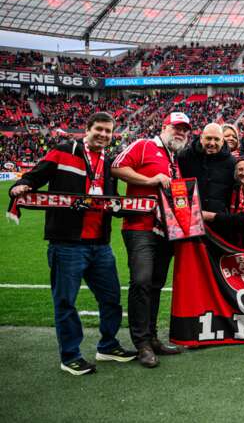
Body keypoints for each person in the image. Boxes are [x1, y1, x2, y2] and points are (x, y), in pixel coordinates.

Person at [9, 112, 136, 375]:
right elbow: (35, 176)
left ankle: (108, 346)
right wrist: (21, 185)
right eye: (99, 129)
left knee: (111, 299)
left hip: (100, 244)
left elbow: (110, 201)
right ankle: (70, 356)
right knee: (66, 301)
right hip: (67, 243)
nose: (103, 135)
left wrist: (132, 208)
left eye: (108, 131)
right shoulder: (62, 151)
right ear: (86, 129)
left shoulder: (109, 161)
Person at [111, 111, 190, 367]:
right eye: (176, 128)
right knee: (142, 281)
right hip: (139, 226)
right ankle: (142, 343)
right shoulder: (145, 145)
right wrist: (149, 179)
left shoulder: (174, 159)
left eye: (184, 130)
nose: (180, 133)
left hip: (165, 231)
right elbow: (116, 167)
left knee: (155, 284)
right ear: (164, 127)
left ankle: (153, 338)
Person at [177, 123, 235, 216]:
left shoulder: (232, 163)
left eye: (216, 139)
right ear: (201, 138)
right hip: (189, 218)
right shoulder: (184, 157)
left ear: (222, 141)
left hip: (217, 223)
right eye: (208, 138)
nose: (212, 143)